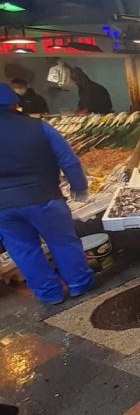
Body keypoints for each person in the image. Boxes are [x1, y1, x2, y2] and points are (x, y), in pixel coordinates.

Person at [0, 83, 93, 304]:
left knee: (24, 251)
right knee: (62, 242)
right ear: (15, 102)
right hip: (45, 198)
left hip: (3, 208)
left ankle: (49, 294)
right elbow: (68, 160)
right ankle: (80, 284)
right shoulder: (38, 127)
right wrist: (79, 188)